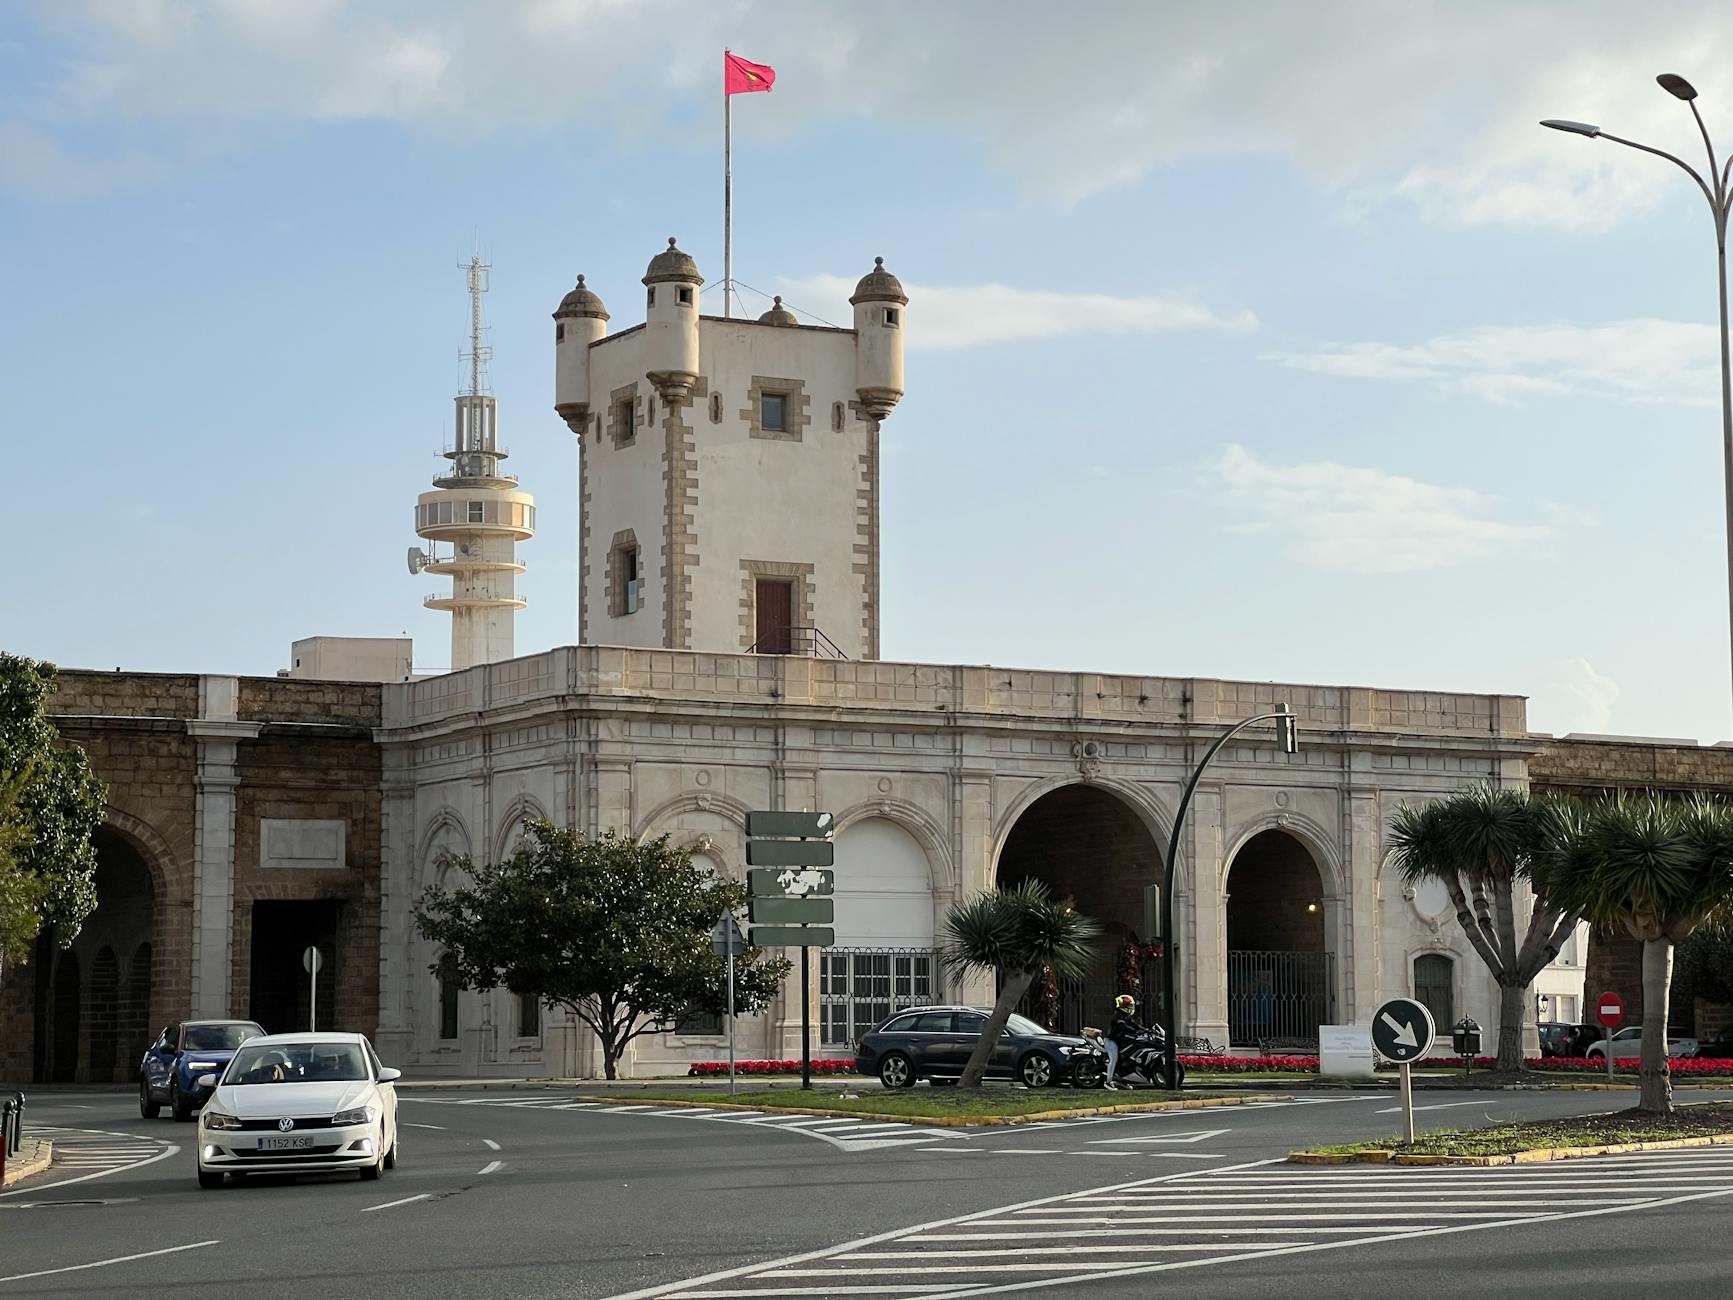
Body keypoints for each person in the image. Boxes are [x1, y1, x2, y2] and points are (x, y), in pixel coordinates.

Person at [1106, 994, 1141, 1090]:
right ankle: (1108, 1082)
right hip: (1111, 1041)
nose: (1131, 1008)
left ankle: (1122, 1080)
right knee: (1114, 1059)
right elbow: (1123, 1027)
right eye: (1129, 1006)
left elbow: (1134, 1024)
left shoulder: (1126, 1016)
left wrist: (1144, 1029)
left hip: (1119, 1041)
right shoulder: (1118, 1015)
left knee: (1125, 1060)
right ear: (1123, 1006)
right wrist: (1134, 1030)